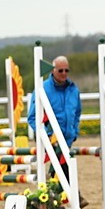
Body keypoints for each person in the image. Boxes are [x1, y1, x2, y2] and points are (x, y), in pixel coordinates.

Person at [26, 56, 83, 189]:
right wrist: (47, 135)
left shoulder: (74, 89)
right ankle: (75, 196)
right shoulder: (42, 88)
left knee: (58, 169)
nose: (64, 73)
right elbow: (32, 117)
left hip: (67, 137)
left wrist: (74, 131)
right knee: (62, 166)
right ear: (53, 71)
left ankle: (57, 198)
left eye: (66, 70)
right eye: (60, 70)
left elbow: (77, 113)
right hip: (50, 138)